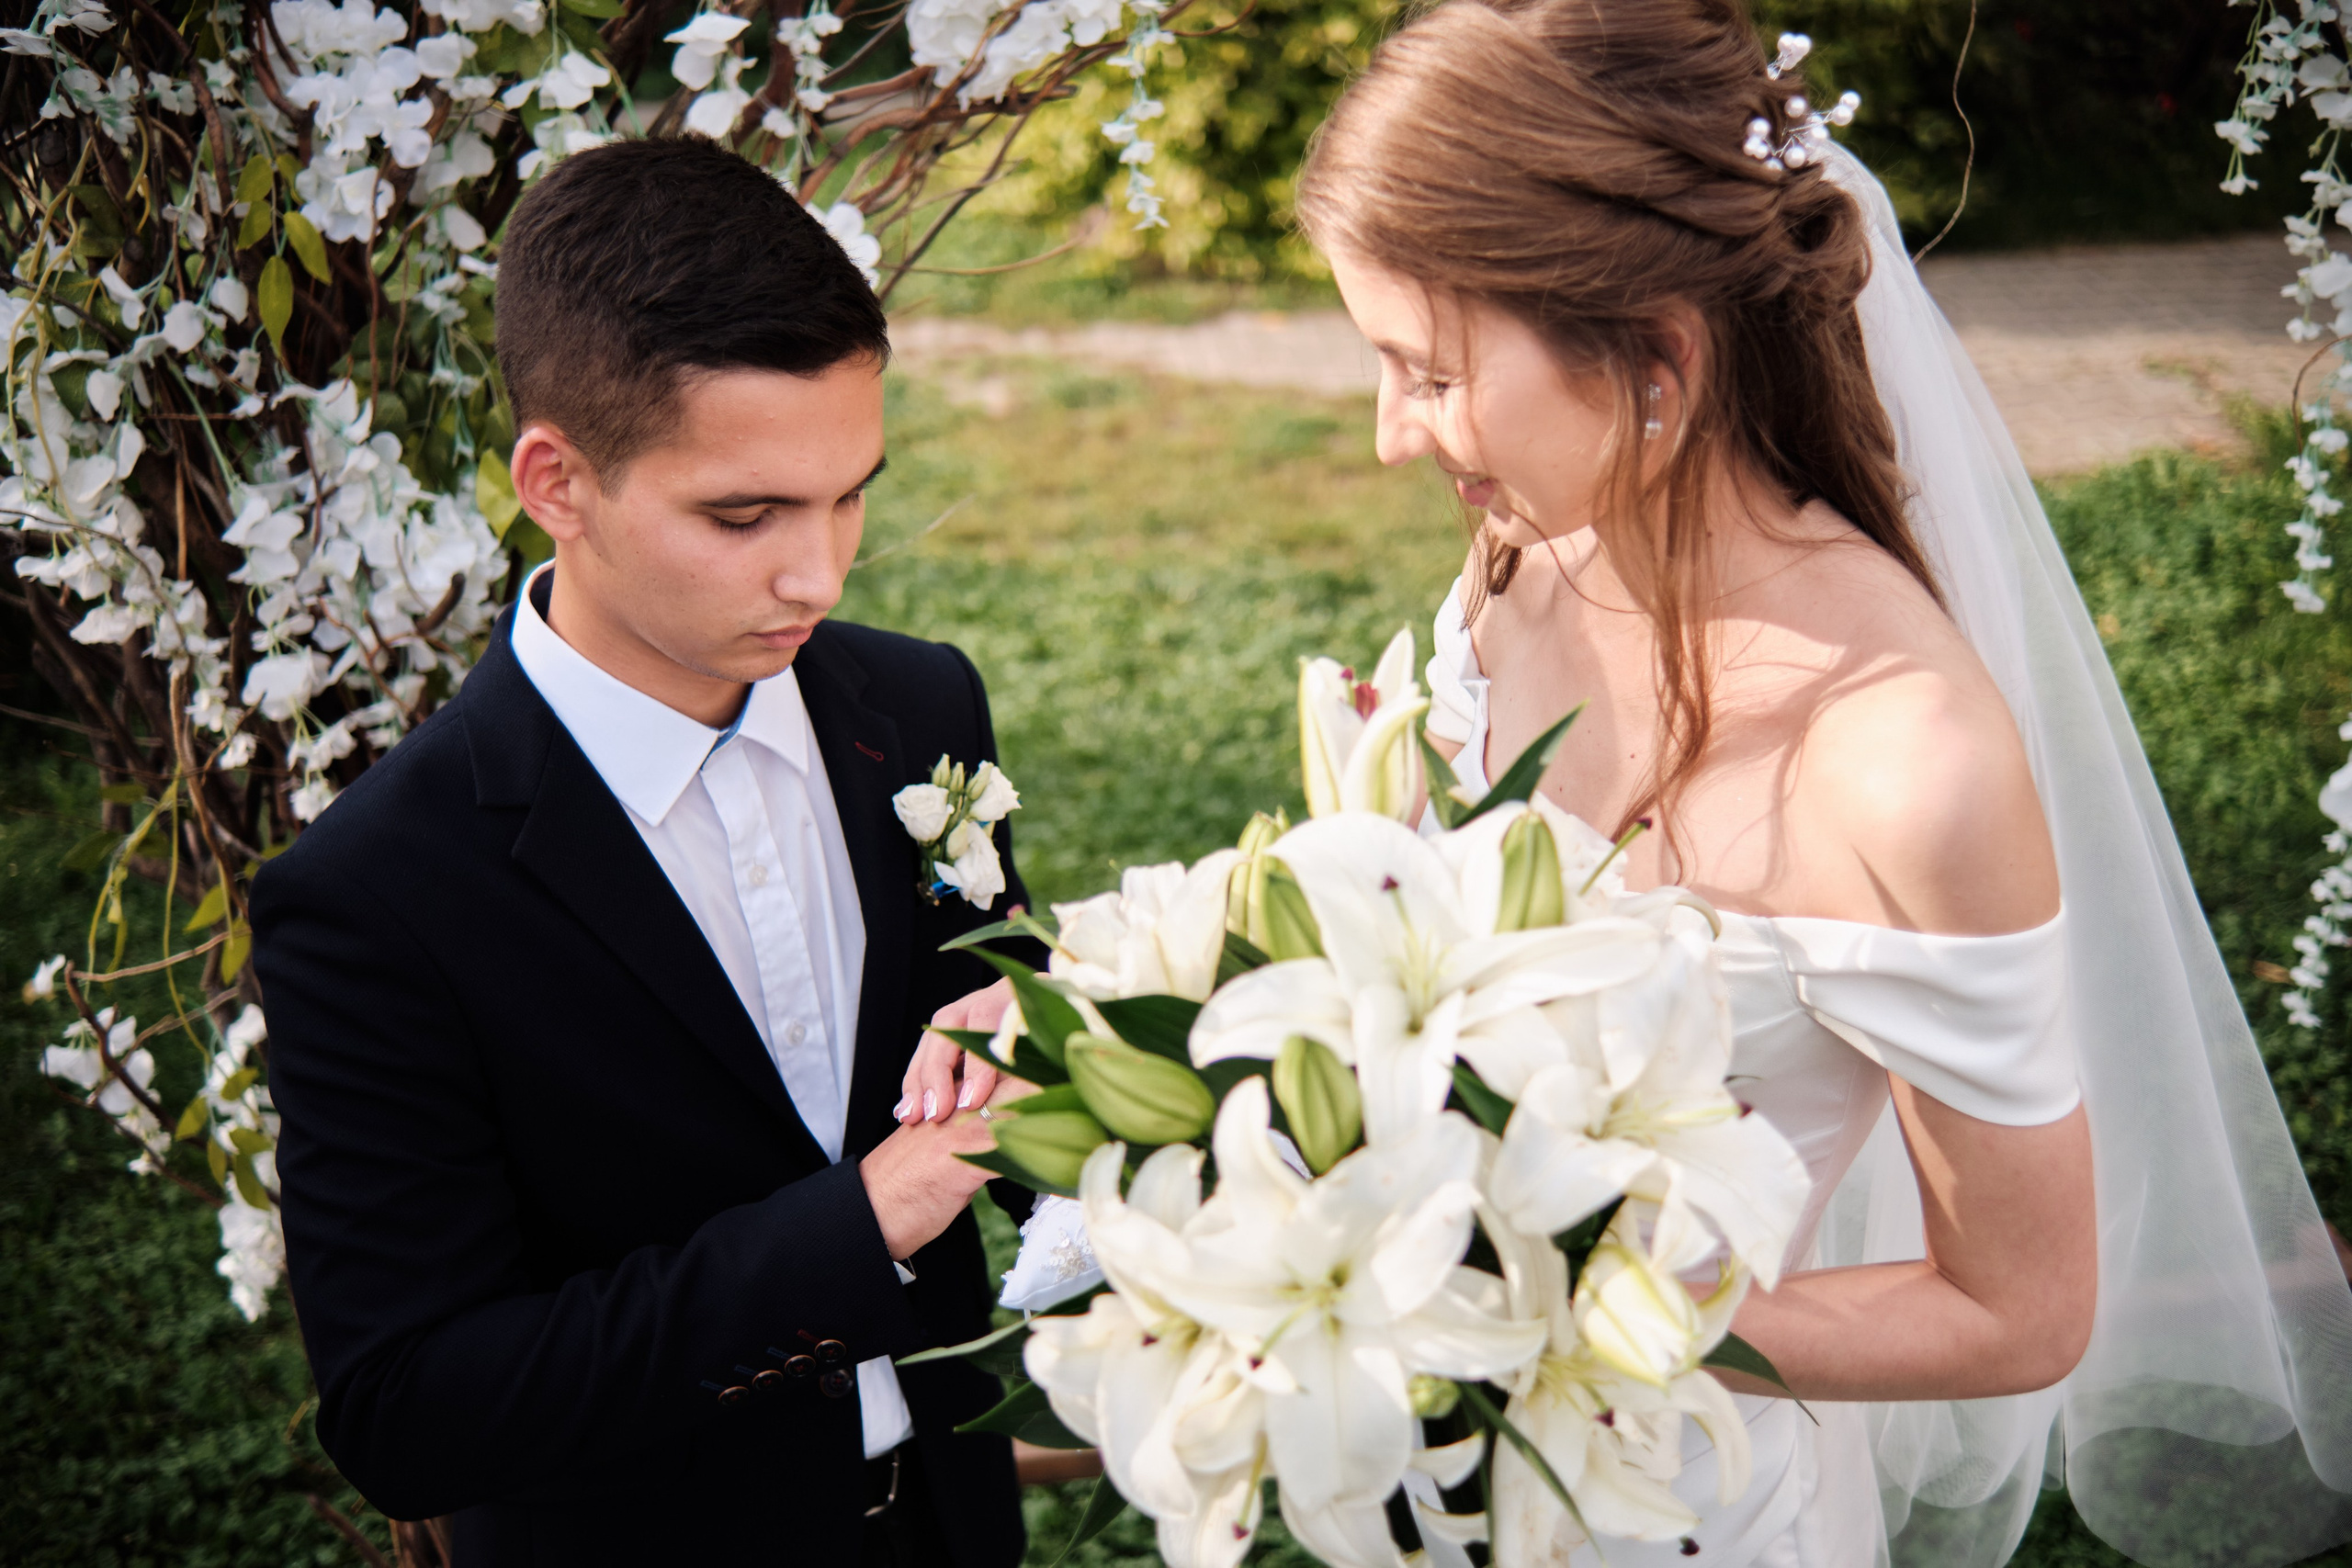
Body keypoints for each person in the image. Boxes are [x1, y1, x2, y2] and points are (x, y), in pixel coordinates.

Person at [1287, 1, 2352, 1562]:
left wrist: (1559, 1318)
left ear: (1658, 357)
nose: (1395, 436)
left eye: (1429, 373)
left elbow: (2014, 1311)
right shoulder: (1530, 559)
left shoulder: (1906, 763)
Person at [251, 137, 1033, 1567]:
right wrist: (861, 1227)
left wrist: (1057, 1035)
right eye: (743, 515)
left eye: (850, 491)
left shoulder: (920, 708)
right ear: (557, 481)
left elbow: (996, 1024)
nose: (820, 571)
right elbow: (410, 1408)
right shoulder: (375, 896)